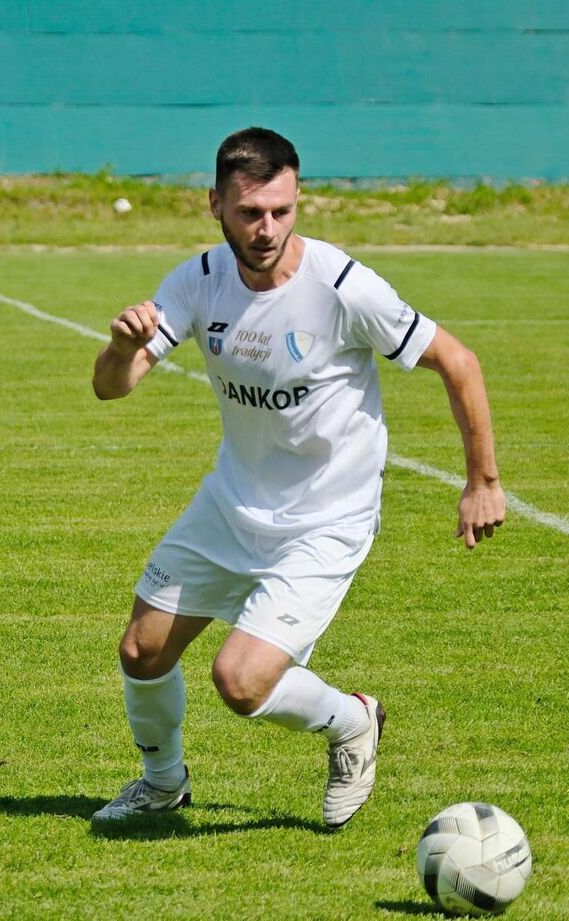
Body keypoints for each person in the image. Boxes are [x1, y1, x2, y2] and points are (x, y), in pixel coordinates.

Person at [90, 127, 504, 827]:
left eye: (282, 210)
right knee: (141, 649)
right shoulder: (196, 280)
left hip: (325, 518)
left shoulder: (343, 287)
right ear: (215, 204)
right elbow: (112, 387)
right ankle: (162, 784)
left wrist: (483, 480)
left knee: (241, 681)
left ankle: (352, 721)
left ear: (297, 198)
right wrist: (121, 347)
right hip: (232, 505)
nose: (267, 229)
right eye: (250, 213)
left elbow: (458, 362)